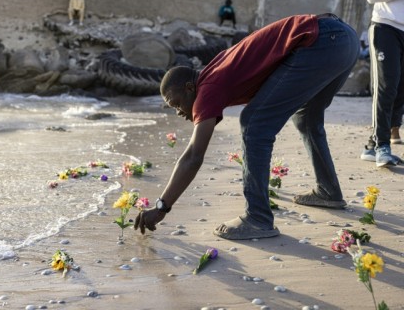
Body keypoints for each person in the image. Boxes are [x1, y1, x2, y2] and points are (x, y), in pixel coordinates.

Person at [134, 13, 359, 240]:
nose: (179, 112)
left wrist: (162, 207)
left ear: (190, 87)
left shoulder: (208, 88)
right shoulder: (213, 72)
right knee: (307, 117)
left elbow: (193, 156)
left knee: (253, 124)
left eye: (177, 104)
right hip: (344, 40)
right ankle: (328, 191)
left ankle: (258, 218)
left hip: (321, 40)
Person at [359, 0, 404, 167]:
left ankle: (372, 145)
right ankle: (382, 145)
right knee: (387, 86)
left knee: (400, 89)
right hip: (386, 27)